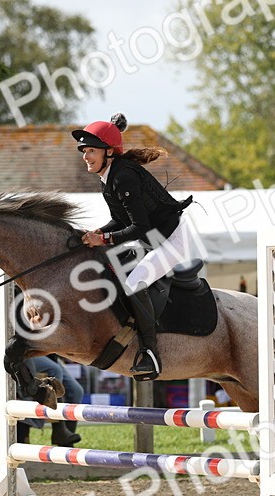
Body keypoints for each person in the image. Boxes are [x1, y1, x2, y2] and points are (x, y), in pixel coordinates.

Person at [74, 112, 195, 380]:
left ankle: (150, 353)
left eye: (90, 151)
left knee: (135, 282)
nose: (85, 156)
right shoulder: (109, 177)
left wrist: (103, 239)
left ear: (108, 152)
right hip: (151, 238)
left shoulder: (123, 176)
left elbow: (139, 227)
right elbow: (119, 220)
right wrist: (95, 233)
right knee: (110, 268)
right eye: (84, 151)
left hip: (171, 239)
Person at [16, 356, 83, 446]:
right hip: (29, 353)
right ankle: (59, 427)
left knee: (76, 390)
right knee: (55, 370)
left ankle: (66, 443)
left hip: (52, 355)